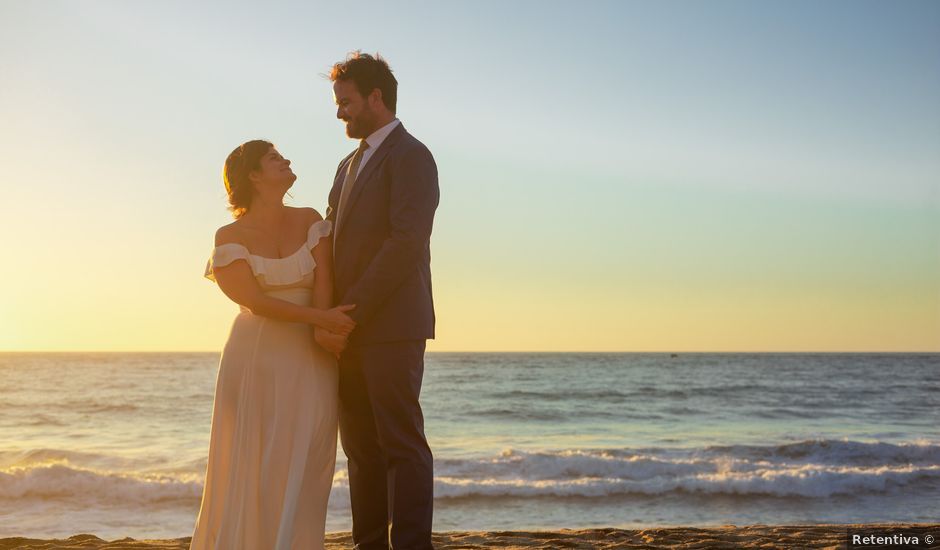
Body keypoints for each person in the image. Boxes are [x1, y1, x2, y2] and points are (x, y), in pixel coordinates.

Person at [190, 140, 355, 550]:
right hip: (256, 355)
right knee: (254, 456)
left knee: (308, 453)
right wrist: (321, 320)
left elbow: (325, 280)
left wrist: (322, 332)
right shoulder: (229, 234)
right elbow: (254, 300)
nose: (287, 162)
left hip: (310, 355)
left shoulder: (310, 219)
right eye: (275, 159)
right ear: (253, 175)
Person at [316, 52, 439, 550]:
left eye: (345, 102)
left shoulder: (412, 156)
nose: (340, 112)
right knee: (361, 450)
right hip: (346, 327)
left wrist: (351, 311)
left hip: (390, 325)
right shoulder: (348, 164)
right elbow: (328, 240)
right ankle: (368, 544)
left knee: (401, 444)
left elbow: (406, 242)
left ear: (375, 97)